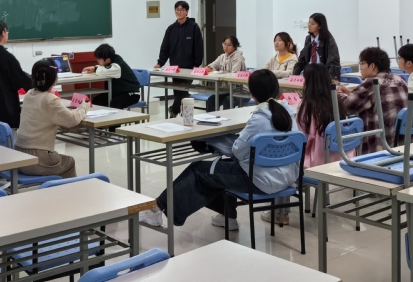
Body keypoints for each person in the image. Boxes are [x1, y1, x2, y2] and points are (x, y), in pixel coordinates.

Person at [139, 69, 300, 231]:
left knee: (199, 170)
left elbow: (237, 150)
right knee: (219, 168)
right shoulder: (288, 114)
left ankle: (156, 209)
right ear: (277, 89)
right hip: (286, 177)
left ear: (252, 93)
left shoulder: (260, 118)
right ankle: (227, 217)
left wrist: (216, 142)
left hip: (260, 181)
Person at [261, 64, 353, 225]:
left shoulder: (308, 106)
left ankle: (280, 213)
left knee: (283, 160)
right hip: (339, 158)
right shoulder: (336, 101)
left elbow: (300, 137)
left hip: (316, 162)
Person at [15, 59, 89, 179]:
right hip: (37, 159)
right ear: (55, 79)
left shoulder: (29, 94)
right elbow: (72, 120)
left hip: (19, 155)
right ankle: (67, 190)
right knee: (69, 162)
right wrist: (84, 106)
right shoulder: (49, 99)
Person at [337, 47, 408, 154]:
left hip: (380, 146)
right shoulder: (400, 79)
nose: (360, 68)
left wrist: (337, 94)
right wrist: (350, 93)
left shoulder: (372, 83)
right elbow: (373, 96)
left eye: (362, 63)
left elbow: (348, 105)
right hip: (403, 143)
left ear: (372, 66)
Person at [154, 0, 204, 117]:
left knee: (183, 90)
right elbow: (165, 47)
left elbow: (199, 47)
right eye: (177, 10)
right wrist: (160, 63)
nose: (179, 12)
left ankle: (174, 110)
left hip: (189, 67)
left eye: (182, 10)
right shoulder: (171, 29)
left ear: (187, 12)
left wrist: (196, 64)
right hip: (175, 68)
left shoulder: (193, 27)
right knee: (178, 92)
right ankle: (182, 116)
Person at [82, 44, 140, 109]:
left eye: (99, 59)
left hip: (130, 93)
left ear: (108, 60)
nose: (97, 61)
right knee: (97, 101)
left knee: (115, 103)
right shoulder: (111, 62)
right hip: (118, 92)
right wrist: (95, 68)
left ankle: (116, 116)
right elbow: (105, 68)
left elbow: (107, 70)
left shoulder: (118, 66)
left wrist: (95, 68)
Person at [293, 13, 341, 81]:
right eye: (309, 23)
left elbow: (333, 61)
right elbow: (302, 59)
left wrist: (331, 79)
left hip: (322, 75)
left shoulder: (328, 39)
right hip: (309, 74)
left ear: (320, 26)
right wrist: (294, 75)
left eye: (313, 24)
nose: (309, 25)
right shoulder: (308, 39)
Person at [205, 35, 246, 112]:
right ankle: (211, 118)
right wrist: (208, 68)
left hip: (241, 91)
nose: (226, 47)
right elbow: (212, 66)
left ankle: (227, 119)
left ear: (235, 47)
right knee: (211, 100)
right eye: (224, 44)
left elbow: (233, 75)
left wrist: (219, 72)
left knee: (227, 101)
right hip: (227, 90)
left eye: (229, 45)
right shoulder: (222, 56)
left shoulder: (237, 57)